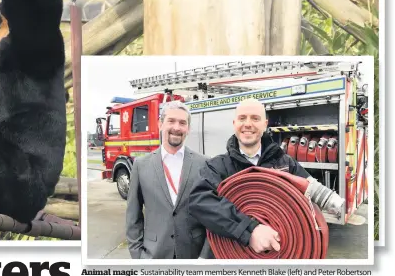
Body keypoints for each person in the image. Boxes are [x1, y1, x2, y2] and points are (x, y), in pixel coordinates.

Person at [188, 98, 310, 256]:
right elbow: (200, 201)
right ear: (234, 123)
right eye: (242, 118)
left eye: (255, 118)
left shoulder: (286, 163)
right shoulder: (217, 167)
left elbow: (309, 197)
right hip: (232, 260)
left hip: (277, 256)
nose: (248, 124)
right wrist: (250, 231)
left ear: (265, 124)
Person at [125, 100, 208, 259]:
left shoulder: (204, 164)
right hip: (154, 256)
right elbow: (133, 218)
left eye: (182, 123)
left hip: (194, 257)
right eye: (171, 121)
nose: (176, 127)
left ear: (188, 129)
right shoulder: (141, 166)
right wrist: (139, 258)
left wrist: (204, 257)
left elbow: (211, 215)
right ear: (160, 124)